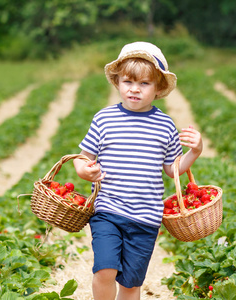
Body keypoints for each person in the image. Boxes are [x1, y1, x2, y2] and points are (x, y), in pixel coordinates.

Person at [73, 41, 203, 300]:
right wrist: (84, 171)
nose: (134, 89)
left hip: (146, 218)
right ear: (117, 82)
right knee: (105, 271)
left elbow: (172, 169)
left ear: (158, 88)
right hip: (107, 211)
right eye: (127, 82)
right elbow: (82, 157)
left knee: (131, 284)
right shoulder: (104, 119)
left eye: (144, 83)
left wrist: (195, 152)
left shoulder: (165, 125)